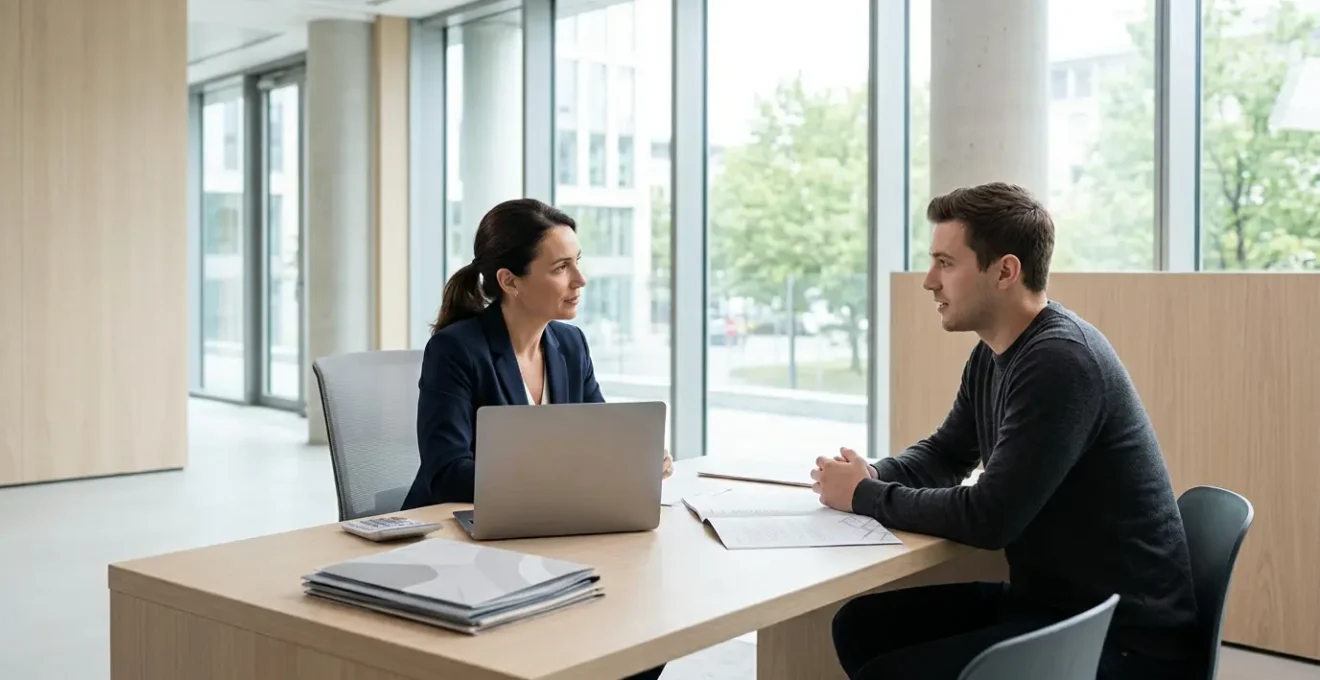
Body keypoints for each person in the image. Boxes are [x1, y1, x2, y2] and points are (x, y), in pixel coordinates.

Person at [811, 182, 1199, 680]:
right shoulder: (994, 354)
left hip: (1120, 639)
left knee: (890, 671)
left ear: (1005, 271)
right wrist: (870, 474)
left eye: (946, 263)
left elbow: (990, 517)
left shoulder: (1060, 360)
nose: (929, 281)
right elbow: (947, 454)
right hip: (1052, 606)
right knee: (859, 626)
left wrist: (865, 495)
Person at [400, 199, 672, 680]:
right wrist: (563, 476)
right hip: (459, 547)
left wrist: (637, 458)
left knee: (644, 638)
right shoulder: (456, 350)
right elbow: (447, 473)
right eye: (561, 268)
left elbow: (599, 439)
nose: (580, 280)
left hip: (545, 538)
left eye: (577, 262)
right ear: (510, 281)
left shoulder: (570, 345)